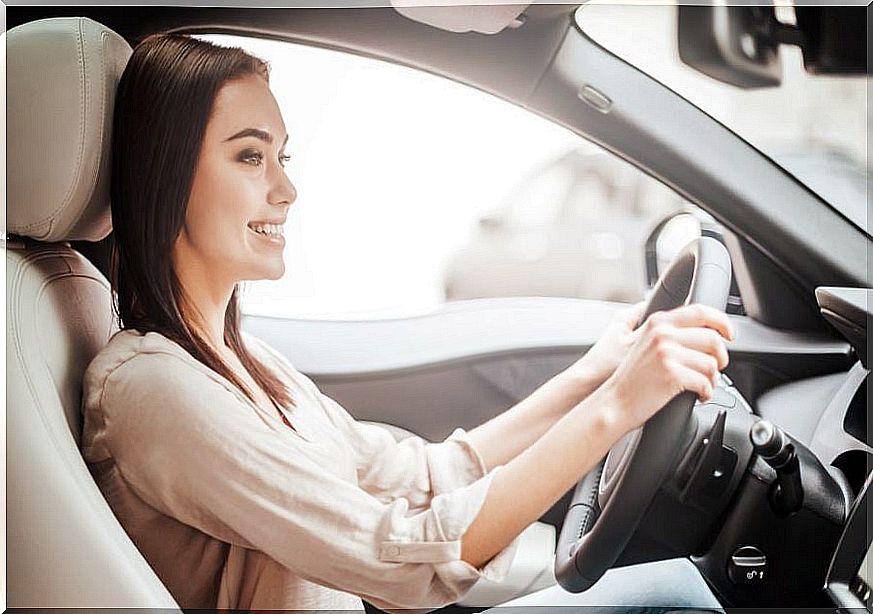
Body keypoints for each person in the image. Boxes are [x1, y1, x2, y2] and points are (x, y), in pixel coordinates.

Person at [80, 33, 733, 613]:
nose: (286, 190)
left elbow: (424, 475)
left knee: (673, 588)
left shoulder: (240, 360)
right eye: (250, 157)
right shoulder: (155, 391)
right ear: (168, 173)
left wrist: (594, 374)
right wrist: (615, 407)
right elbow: (399, 564)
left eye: (284, 157)